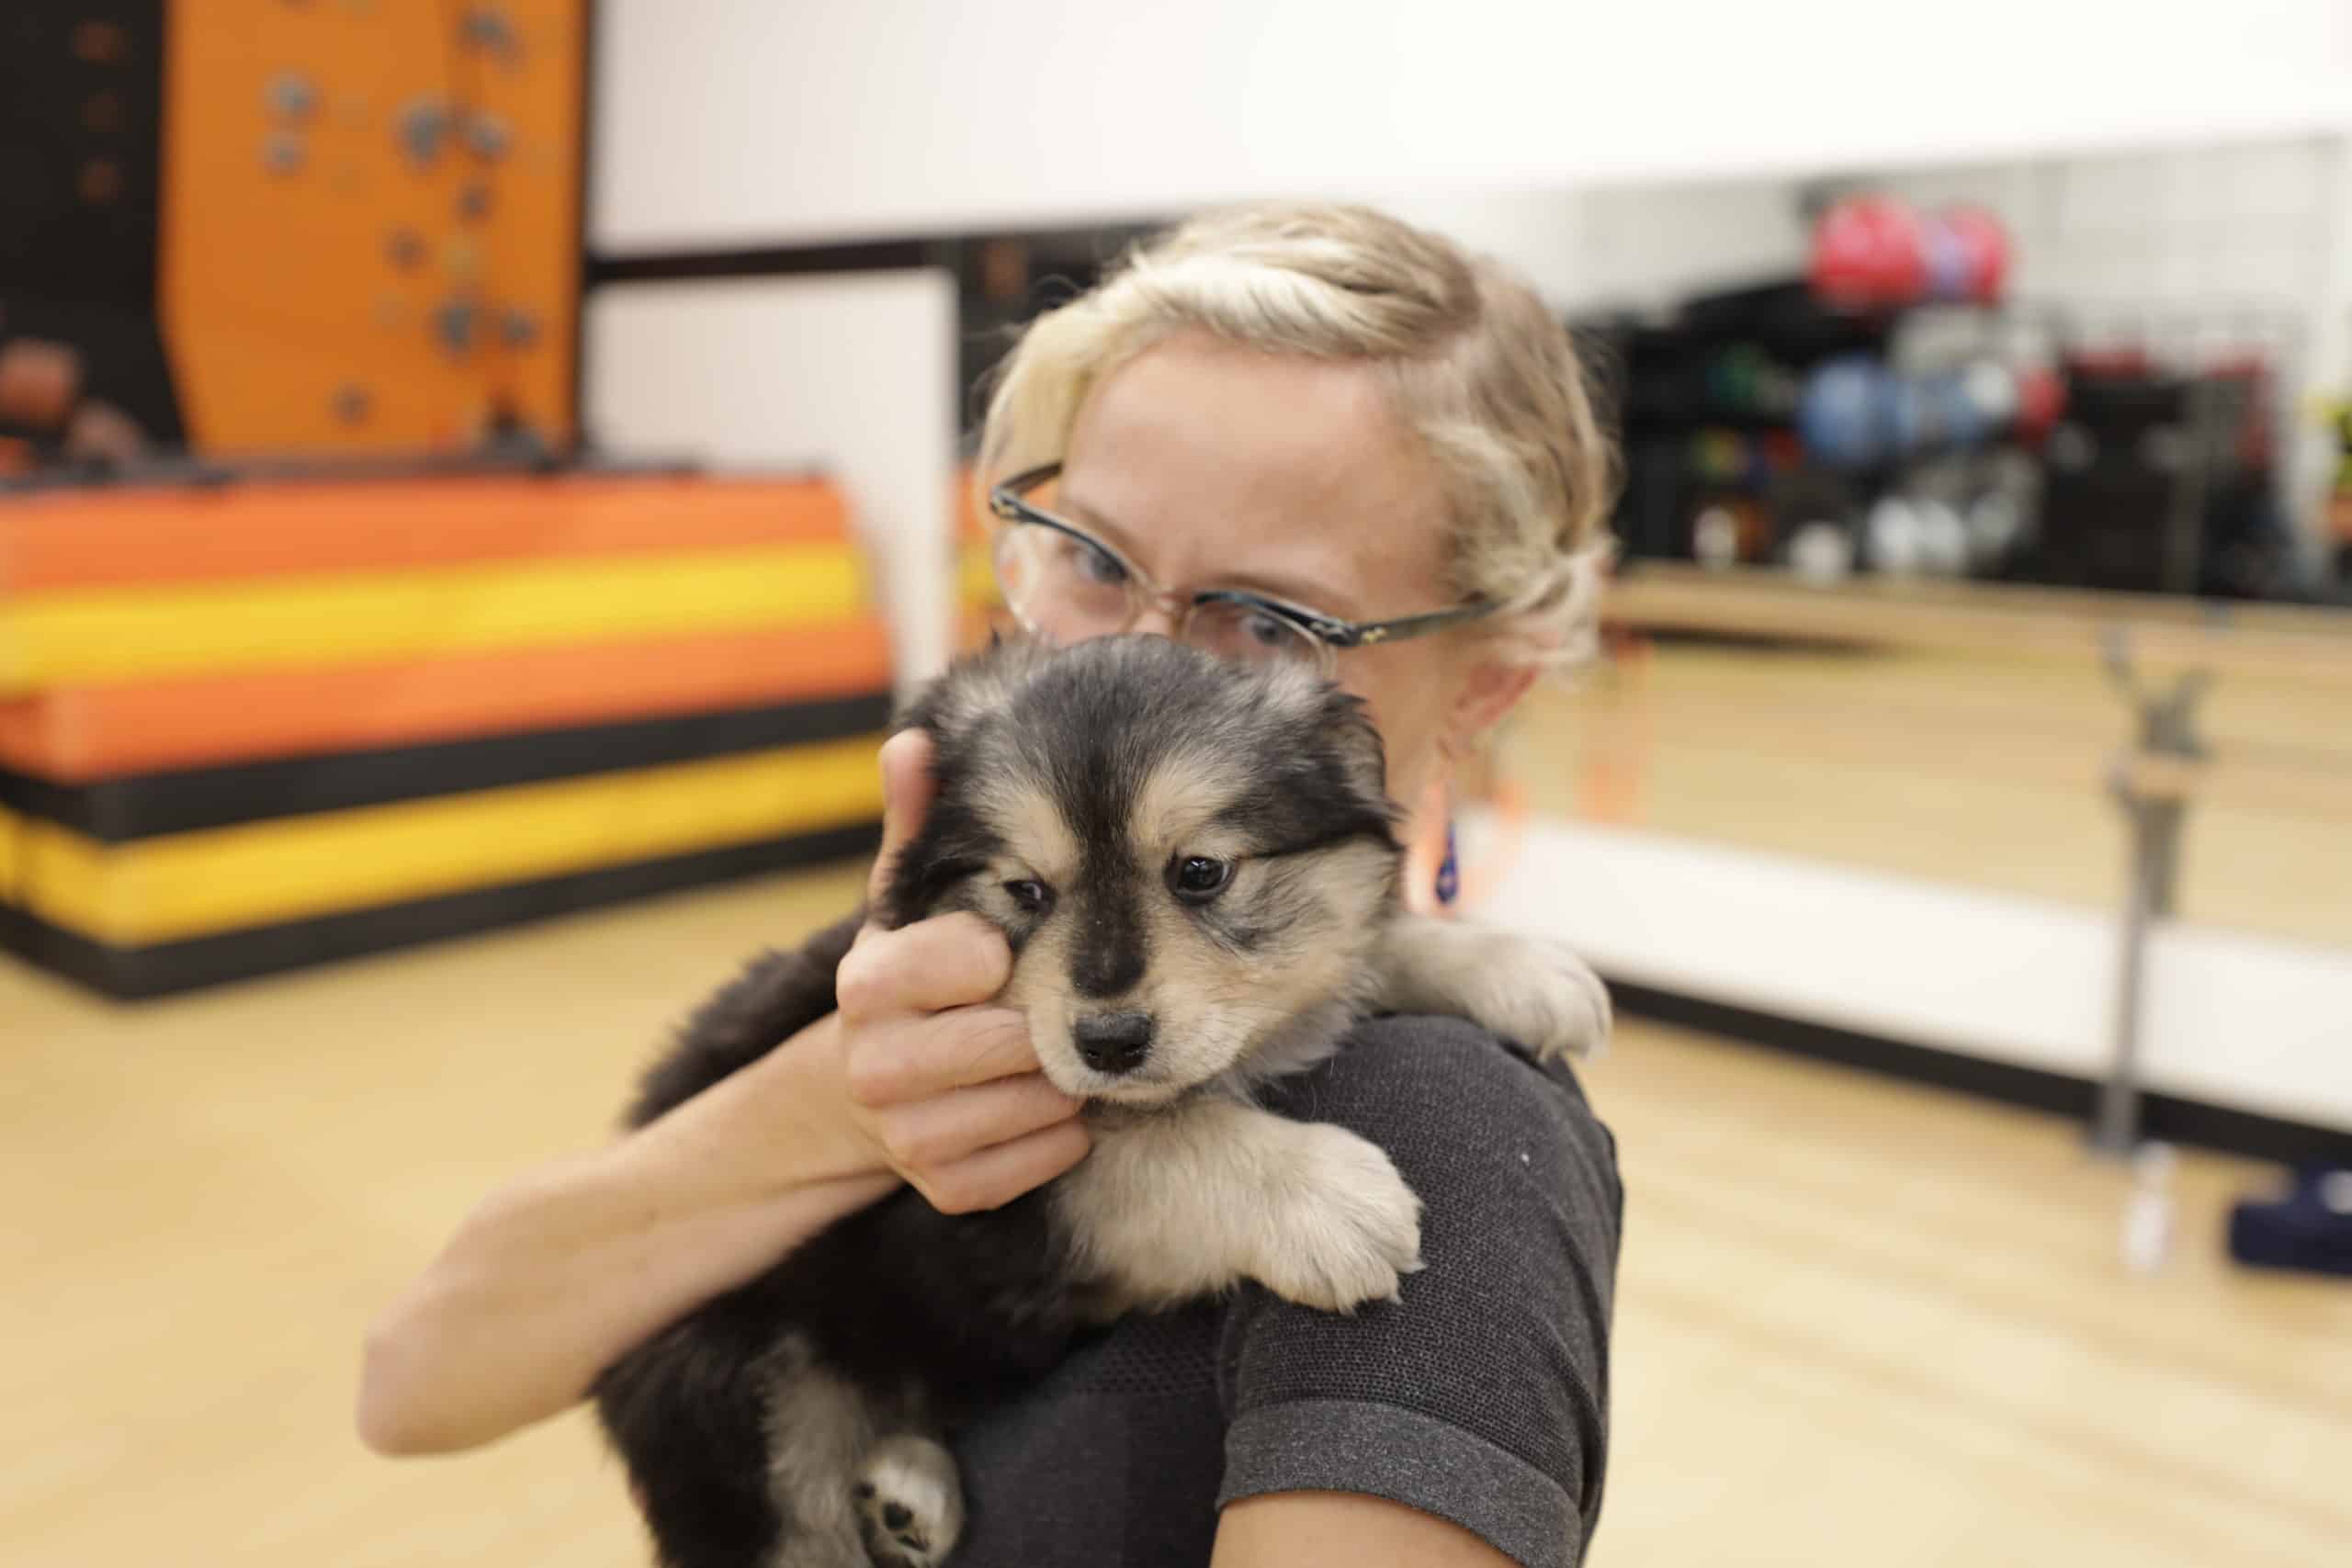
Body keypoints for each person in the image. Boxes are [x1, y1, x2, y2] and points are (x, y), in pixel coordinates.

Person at [359, 202, 1624, 1568]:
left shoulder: (1453, 1128)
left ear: (1483, 680)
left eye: (1271, 621)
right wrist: (844, 1107)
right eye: (1091, 556)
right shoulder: (922, 967)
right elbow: (411, 1384)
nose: (1139, 667)